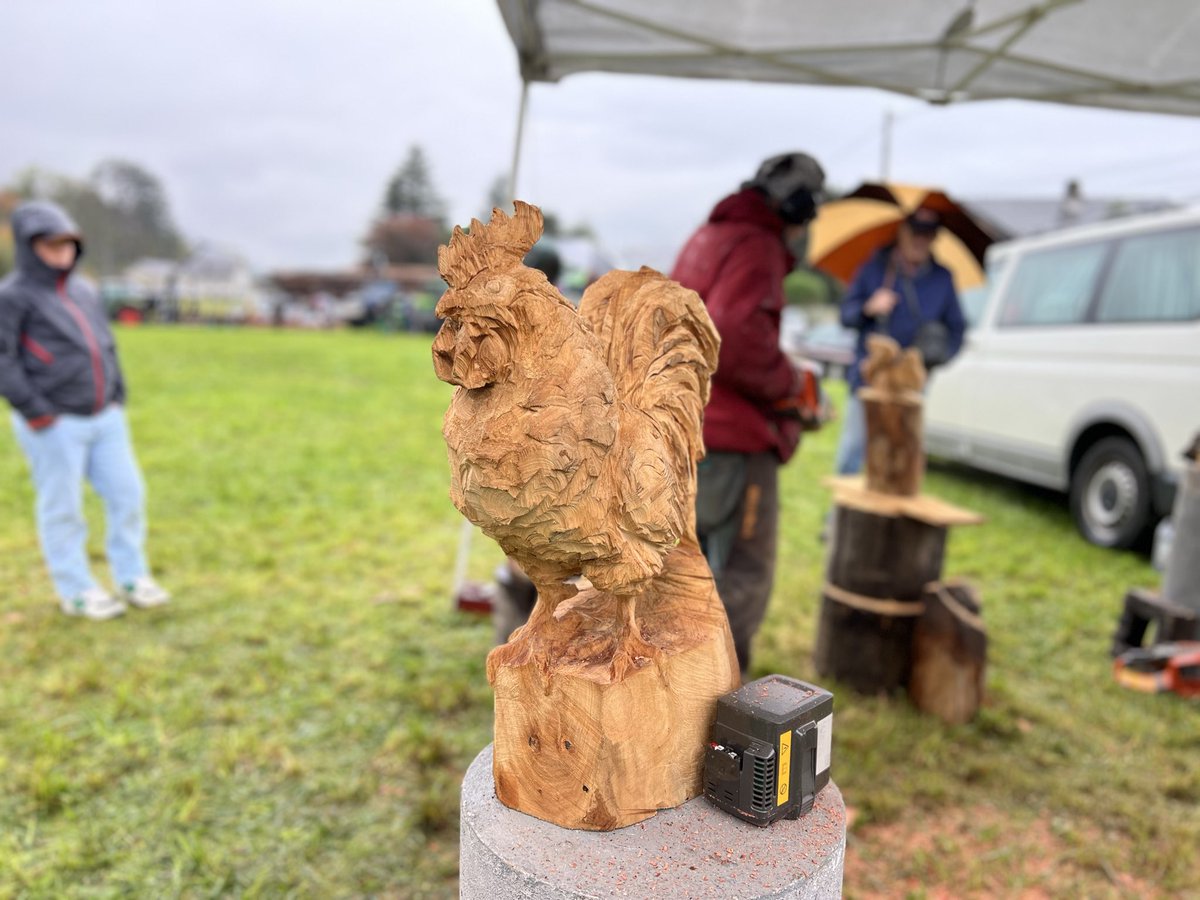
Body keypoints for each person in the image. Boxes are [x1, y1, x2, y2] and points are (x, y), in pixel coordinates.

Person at [670, 152, 826, 674]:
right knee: (742, 572)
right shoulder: (757, 246)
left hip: (682, 421)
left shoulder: (709, 236)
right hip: (731, 435)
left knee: (678, 568)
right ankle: (715, 698)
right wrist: (790, 384)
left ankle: (671, 684)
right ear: (799, 208)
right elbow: (734, 338)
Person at [0, 200, 170, 620]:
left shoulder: (85, 290)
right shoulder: (12, 297)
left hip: (105, 417)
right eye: (51, 245)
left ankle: (132, 576)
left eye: (69, 244)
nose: (62, 253)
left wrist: (117, 394)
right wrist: (36, 410)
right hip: (54, 423)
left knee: (128, 495)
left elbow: (104, 343)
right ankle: (76, 589)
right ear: (28, 246)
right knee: (63, 507)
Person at [833, 207, 967, 477]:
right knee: (854, 451)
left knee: (899, 454)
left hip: (910, 384)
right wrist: (868, 308)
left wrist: (932, 363)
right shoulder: (874, 269)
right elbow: (845, 316)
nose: (921, 241)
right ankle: (840, 518)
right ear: (902, 232)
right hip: (869, 377)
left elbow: (957, 330)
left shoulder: (943, 278)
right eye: (916, 233)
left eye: (928, 235)